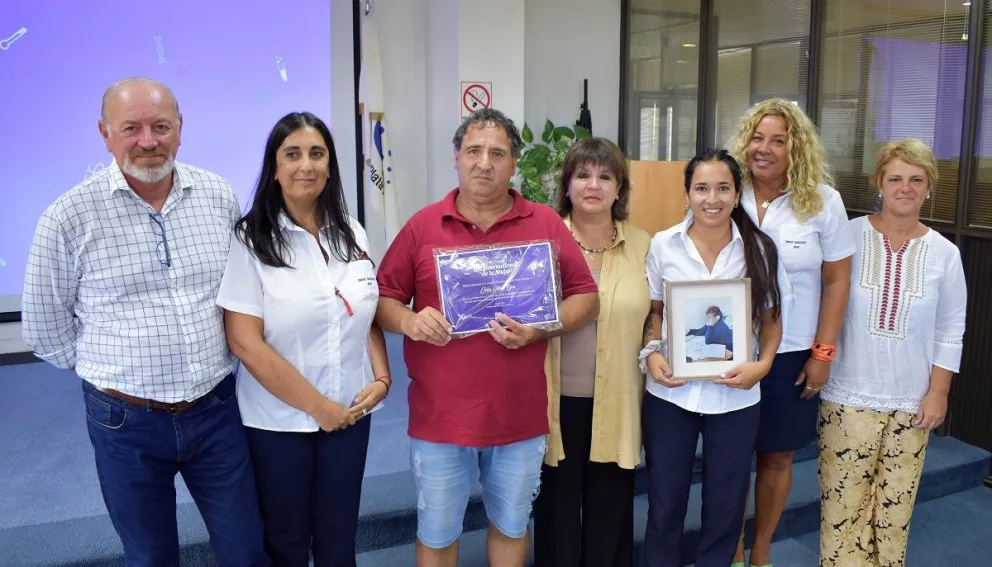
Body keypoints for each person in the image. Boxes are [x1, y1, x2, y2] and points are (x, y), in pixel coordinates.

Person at [21, 78, 269, 567]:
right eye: (131, 128)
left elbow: (240, 290)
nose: (149, 141)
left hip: (216, 410)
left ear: (180, 130)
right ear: (105, 133)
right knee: (150, 556)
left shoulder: (218, 195)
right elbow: (45, 328)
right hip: (123, 422)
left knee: (246, 549)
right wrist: (114, 371)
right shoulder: (68, 217)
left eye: (161, 126)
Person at [374, 108, 600, 567]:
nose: (484, 162)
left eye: (498, 153)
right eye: (474, 151)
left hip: (517, 417)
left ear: (514, 162)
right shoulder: (422, 226)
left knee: (511, 527)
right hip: (441, 418)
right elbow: (381, 299)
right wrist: (411, 322)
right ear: (456, 158)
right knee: (437, 535)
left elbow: (586, 297)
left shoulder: (545, 224)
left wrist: (542, 326)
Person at [216, 111, 390, 567]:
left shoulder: (351, 232)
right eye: (291, 154)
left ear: (330, 165)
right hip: (278, 424)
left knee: (339, 541)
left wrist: (383, 378)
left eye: (317, 153)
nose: (305, 165)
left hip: (351, 412)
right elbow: (244, 343)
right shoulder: (250, 239)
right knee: (287, 542)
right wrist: (319, 408)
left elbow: (365, 307)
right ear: (274, 168)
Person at [818, 139, 966, 566]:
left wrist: (938, 392)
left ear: (929, 187)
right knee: (843, 512)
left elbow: (951, 326)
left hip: (912, 402)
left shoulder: (944, 253)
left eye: (916, 179)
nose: (906, 187)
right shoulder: (847, 236)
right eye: (895, 178)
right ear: (878, 183)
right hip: (848, 396)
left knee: (893, 513)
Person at [640, 149, 790, 567]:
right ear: (687, 193)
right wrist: (652, 354)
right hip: (671, 395)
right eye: (701, 188)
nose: (712, 198)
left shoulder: (759, 249)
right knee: (665, 503)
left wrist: (763, 365)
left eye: (723, 188)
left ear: (737, 192)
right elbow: (654, 312)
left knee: (725, 508)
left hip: (736, 398)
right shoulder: (663, 244)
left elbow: (772, 320)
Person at [728, 98, 856, 567]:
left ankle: (760, 548)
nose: (764, 149)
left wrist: (822, 353)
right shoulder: (725, 189)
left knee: (776, 456)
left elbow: (837, 279)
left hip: (794, 352)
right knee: (731, 458)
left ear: (794, 147)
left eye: (778, 140)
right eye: (757, 138)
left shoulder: (823, 202)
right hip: (730, 348)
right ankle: (733, 548)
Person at [533, 138, 651, 567]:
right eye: (582, 175)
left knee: (610, 519)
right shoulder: (539, 243)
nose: (593, 186)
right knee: (556, 517)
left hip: (619, 401)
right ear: (566, 185)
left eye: (605, 176)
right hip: (552, 402)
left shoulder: (645, 246)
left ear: (620, 189)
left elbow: (658, 316)